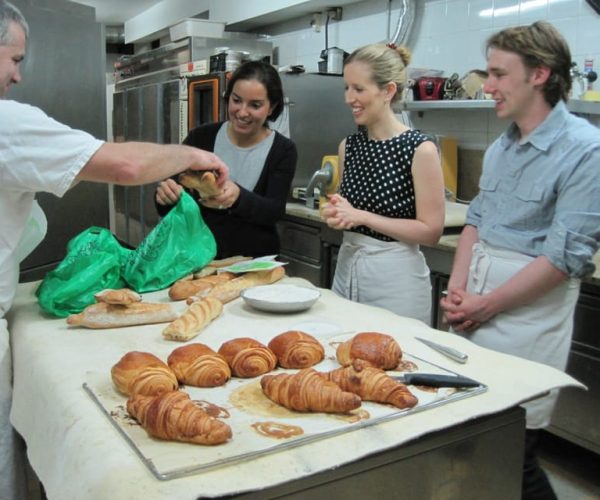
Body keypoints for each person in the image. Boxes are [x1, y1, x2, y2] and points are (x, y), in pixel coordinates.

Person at [0, 2, 229, 498]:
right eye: (15, 59)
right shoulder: (5, 123)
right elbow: (123, 165)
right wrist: (193, 155)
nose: (18, 76)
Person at [439, 21, 600, 500]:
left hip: (528, 319)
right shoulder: (501, 147)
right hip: (475, 308)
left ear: (539, 74)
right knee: (469, 442)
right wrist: (458, 291)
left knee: (515, 449)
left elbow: (561, 259)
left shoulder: (585, 150)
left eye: (497, 74)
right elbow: (475, 223)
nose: (486, 86)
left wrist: (485, 306)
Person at [321, 43, 445, 324]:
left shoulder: (419, 149)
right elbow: (348, 209)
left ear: (388, 91)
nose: (348, 98)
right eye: (346, 88)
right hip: (347, 269)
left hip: (395, 282)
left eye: (358, 89)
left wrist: (360, 216)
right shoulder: (349, 146)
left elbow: (431, 231)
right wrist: (338, 213)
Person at [155, 60, 297, 259]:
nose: (242, 112)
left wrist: (238, 197)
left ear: (271, 107)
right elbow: (172, 198)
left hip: (254, 262)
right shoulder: (201, 138)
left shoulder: (283, 150)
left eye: (255, 105)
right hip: (198, 259)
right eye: (236, 100)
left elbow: (274, 212)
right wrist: (164, 196)